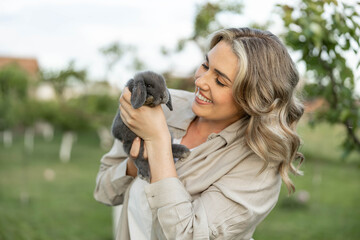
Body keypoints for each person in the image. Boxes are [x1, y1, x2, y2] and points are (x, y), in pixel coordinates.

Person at [94, 27, 304, 240]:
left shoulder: (258, 166)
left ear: (254, 99)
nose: (200, 81)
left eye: (220, 81)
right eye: (205, 65)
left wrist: (158, 140)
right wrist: (134, 164)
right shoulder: (161, 107)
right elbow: (104, 191)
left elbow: (189, 235)